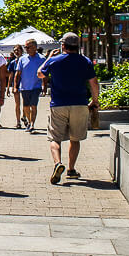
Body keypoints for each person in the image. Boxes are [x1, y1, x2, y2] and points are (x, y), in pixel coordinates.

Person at [38, 32, 100, 184]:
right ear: (77, 46)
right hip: (80, 103)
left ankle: (58, 163)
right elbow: (94, 83)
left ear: (63, 46)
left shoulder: (54, 60)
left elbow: (40, 74)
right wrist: (95, 101)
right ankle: (71, 170)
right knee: (75, 138)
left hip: (58, 104)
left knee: (54, 138)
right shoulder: (85, 61)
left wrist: (47, 58)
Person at [15, 39, 46, 131]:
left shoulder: (41, 58)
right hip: (24, 87)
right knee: (26, 107)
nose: (26, 49)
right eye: (25, 47)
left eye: (28, 47)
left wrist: (44, 86)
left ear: (35, 48)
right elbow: (18, 73)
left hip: (36, 86)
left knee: (34, 105)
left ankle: (32, 124)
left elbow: (45, 74)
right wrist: (15, 86)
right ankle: (29, 121)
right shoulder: (22, 59)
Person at [6, 44, 24, 128]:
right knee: (17, 104)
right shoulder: (13, 62)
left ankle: (24, 117)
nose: (17, 52)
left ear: (22, 50)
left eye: (18, 50)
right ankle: (18, 122)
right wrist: (9, 87)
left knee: (25, 104)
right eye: (15, 50)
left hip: (25, 85)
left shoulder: (25, 60)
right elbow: (11, 75)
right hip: (16, 84)